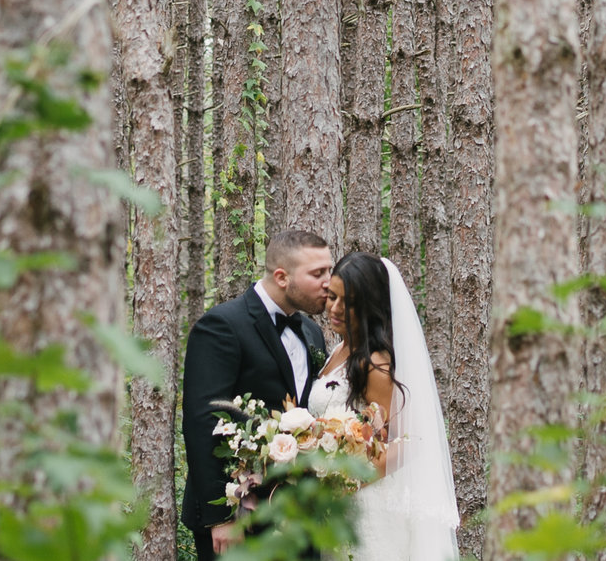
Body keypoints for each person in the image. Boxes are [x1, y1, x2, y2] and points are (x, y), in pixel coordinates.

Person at [180, 230, 336, 556]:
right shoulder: (222, 326)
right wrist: (221, 517)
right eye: (318, 273)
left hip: (299, 515)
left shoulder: (311, 332)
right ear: (282, 277)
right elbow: (201, 422)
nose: (329, 282)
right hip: (240, 515)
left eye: (330, 270)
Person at [305, 252, 459, 561]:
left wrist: (347, 480)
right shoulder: (339, 349)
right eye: (332, 297)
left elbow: (409, 442)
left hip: (368, 504)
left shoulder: (374, 363)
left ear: (368, 306)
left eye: (347, 303)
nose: (334, 309)